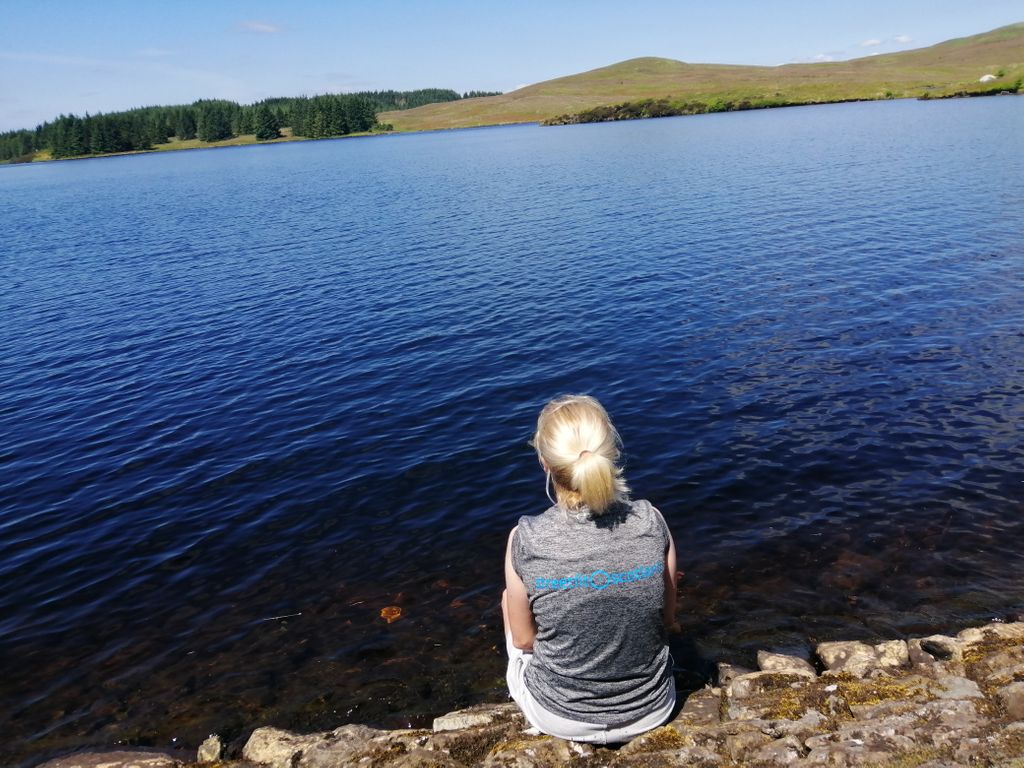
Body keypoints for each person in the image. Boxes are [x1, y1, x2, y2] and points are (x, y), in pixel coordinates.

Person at [501, 394, 679, 744]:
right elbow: (668, 619)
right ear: (610, 452)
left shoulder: (525, 538)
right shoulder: (652, 520)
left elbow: (524, 640)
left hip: (558, 715)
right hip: (654, 707)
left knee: (510, 599)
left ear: (545, 464)